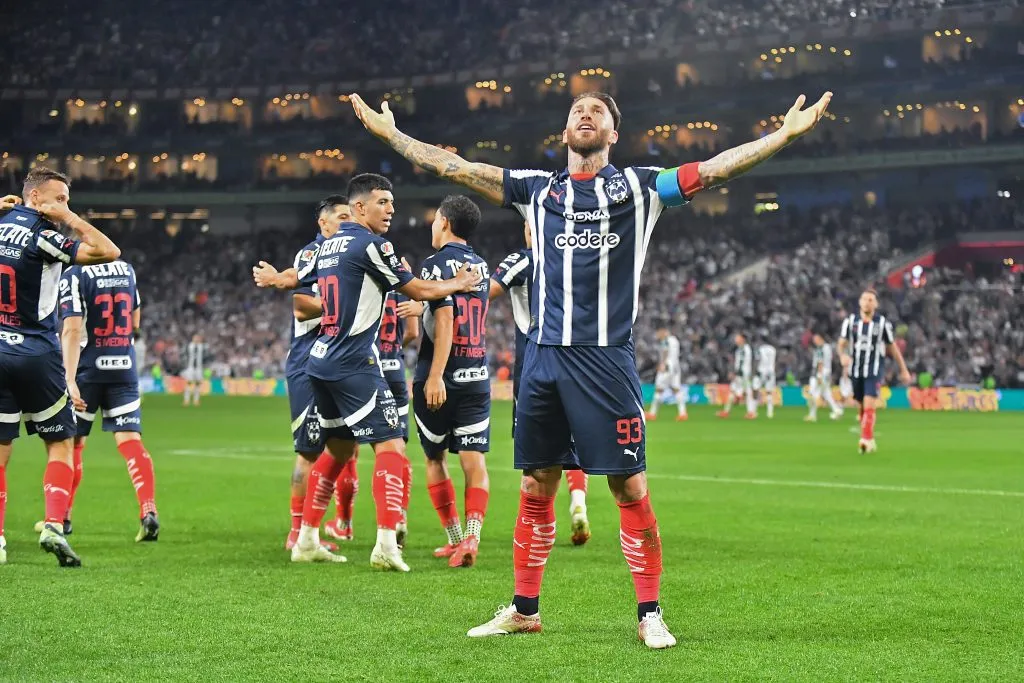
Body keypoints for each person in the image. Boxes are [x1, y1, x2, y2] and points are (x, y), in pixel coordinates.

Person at [351, 86, 831, 647]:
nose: (586, 113)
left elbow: (717, 168)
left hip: (605, 361)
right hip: (543, 361)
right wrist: (393, 137)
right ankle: (525, 608)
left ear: (613, 133)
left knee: (628, 487)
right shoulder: (536, 190)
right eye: (577, 109)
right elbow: (457, 167)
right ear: (564, 131)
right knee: (536, 483)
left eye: (598, 111)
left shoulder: (642, 187)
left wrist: (782, 135)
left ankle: (649, 612)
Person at [256, 173, 481, 570]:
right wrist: (458, 281)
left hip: (320, 360)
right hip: (354, 360)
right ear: (359, 207)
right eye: (383, 202)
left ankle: (307, 539)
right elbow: (420, 291)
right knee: (392, 448)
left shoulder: (326, 247)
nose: (391, 209)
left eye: (392, 202)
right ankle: (385, 545)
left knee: (339, 448)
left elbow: (301, 284)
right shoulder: (374, 245)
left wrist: (277, 279)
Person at [0, 169, 120, 567]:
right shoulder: (45, 235)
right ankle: (53, 524)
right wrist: (68, 219)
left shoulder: (2, 222)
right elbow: (107, 251)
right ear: (35, 197)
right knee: (60, 443)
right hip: (36, 351)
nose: (65, 206)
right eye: (59, 198)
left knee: (1, 451)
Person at [252, 195, 350, 552]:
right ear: (323, 224)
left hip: (339, 357)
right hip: (309, 358)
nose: (347, 221)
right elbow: (301, 307)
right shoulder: (314, 254)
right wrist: (341, 306)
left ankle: (312, 528)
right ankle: (296, 531)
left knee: (343, 444)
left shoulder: (350, 254)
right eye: (341, 217)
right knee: (309, 449)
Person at [490, 222, 590, 546]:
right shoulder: (577, 259)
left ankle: (537, 535)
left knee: (538, 463)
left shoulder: (523, 259)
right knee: (572, 444)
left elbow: (487, 290)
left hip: (534, 369)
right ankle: (579, 503)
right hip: (578, 367)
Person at [46, 257, 159, 542]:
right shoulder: (126, 269)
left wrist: (68, 379)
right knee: (130, 440)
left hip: (87, 368)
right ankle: (148, 509)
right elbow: (135, 318)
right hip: (123, 364)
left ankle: (64, 518)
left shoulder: (75, 272)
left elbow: (71, 329)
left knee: (72, 444)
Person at [412, 195, 491, 568]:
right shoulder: (481, 266)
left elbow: (444, 320)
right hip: (477, 372)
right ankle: (472, 537)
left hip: (440, 374)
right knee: (474, 460)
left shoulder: (434, 266)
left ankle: (455, 538)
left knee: (434, 457)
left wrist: (435, 375)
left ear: (443, 221)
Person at [326, 289, 419, 546]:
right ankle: (399, 515)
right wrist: (393, 349)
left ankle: (343, 523)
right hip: (395, 370)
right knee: (396, 447)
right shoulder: (403, 286)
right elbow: (413, 332)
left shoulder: (363, 281)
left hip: (364, 368)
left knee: (348, 449)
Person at [838, 289, 911, 453]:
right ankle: (869, 438)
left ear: (876, 304)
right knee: (861, 403)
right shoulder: (850, 322)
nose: (867, 302)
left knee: (870, 401)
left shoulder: (882, 324)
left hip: (874, 369)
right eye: (864, 299)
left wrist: (903, 369)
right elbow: (841, 343)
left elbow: (892, 347)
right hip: (855, 370)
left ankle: (864, 439)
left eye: (870, 300)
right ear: (859, 302)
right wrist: (842, 355)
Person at [646, 326, 688, 422]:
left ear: (664, 331)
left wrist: (663, 364)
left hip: (667, 366)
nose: (658, 335)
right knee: (676, 389)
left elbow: (665, 351)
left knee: (659, 389)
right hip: (676, 367)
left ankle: (652, 413)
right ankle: (683, 413)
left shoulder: (666, 340)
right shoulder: (675, 340)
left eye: (659, 333)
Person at [806, 333, 844, 422]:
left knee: (813, 393)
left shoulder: (820, 348)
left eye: (815, 339)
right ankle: (837, 410)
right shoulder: (828, 348)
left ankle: (812, 415)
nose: (814, 341)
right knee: (826, 393)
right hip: (827, 373)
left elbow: (820, 362)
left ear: (820, 339)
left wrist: (819, 375)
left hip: (819, 373)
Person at [718, 333, 756, 419]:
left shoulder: (744, 349)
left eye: (737, 338)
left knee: (747, 392)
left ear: (742, 339)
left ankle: (751, 412)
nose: (736, 339)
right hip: (741, 374)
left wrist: (736, 373)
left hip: (743, 374)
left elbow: (742, 362)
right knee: (734, 390)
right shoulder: (740, 349)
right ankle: (726, 411)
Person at [182, 334, 207, 407]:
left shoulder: (202, 347)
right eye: (195, 338)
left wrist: (204, 364)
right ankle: (186, 400)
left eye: (198, 338)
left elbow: (206, 356)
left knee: (198, 384)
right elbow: (185, 355)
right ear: (192, 339)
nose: (196, 339)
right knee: (188, 383)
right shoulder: (189, 346)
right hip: (191, 367)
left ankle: (196, 400)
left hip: (199, 368)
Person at [755, 339, 777, 419]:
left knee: (756, 390)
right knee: (769, 392)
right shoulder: (773, 349)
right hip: (771, 372)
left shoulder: (760, 349)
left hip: (761, 371)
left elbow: (759, 360)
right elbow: (773, 361)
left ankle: (753, 411)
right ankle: (770, 412)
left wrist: (755, 370)